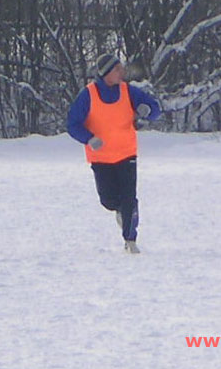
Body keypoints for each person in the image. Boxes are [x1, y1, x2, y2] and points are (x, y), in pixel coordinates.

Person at [67, 54, 161, 254]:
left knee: (129, 198)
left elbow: (155, 108)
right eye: (117, 69)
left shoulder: (129, 91)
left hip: (127, 154)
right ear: (106, 72)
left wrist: (147, 110)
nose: (122, 72)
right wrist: (88, 138)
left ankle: (130, 239)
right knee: (108, 200)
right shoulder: (88, 95)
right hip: (101, 157)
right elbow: (73, 124)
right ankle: (120, 211)